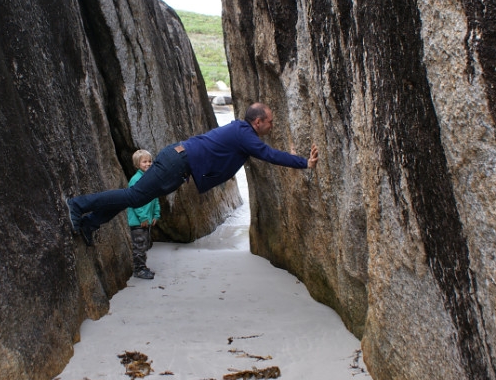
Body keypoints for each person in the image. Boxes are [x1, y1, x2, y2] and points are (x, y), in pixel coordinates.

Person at [66, 102, 318, 245]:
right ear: (258, 122)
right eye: (270, 122)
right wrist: (303, 162)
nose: (272, 126)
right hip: (177, 161)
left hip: (178, 165)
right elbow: (269, 155)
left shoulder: (241, 131)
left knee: (136, 198)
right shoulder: (245, 135)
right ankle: (78, 205)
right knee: (134, 196)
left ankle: (90, 223)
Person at [127, 149, 160, 280]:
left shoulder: (150, 178)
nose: (148, 164)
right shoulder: (135, 180)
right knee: (139, 245)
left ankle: (143, 267)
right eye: (144, 162)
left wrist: (156, 215)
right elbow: (134, 200)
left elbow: (155, 197)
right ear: (137, 164)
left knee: (144, 244)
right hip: (138, 221)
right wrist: (143, 217)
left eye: (150, 161)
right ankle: (139, 270)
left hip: (147, 219)